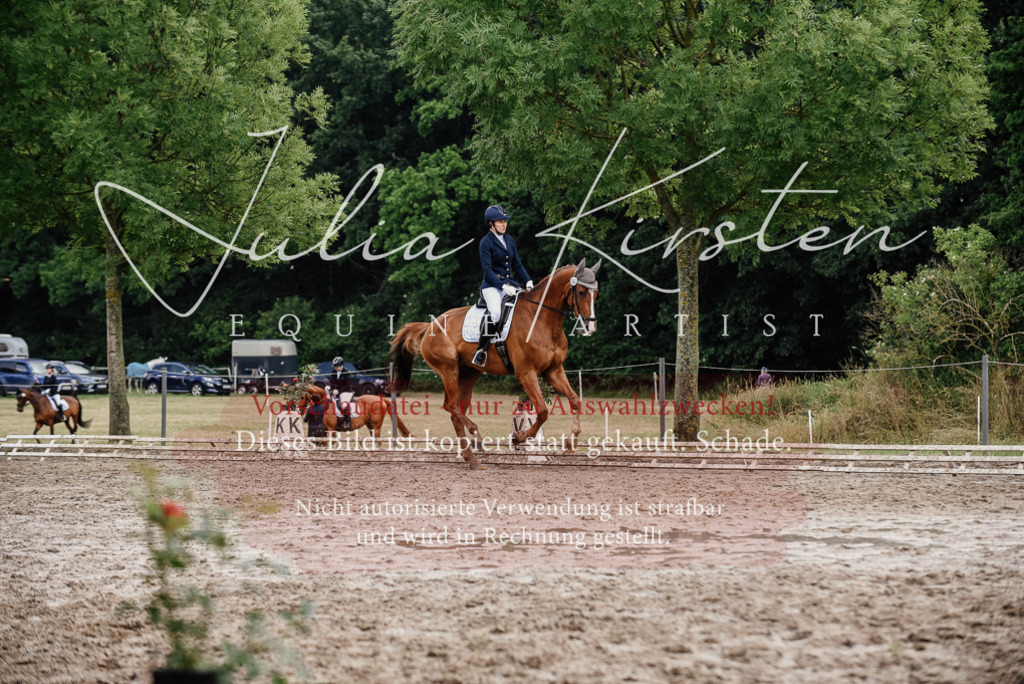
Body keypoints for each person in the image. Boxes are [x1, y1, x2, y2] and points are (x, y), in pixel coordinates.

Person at [474, 204, 533, 366]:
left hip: (511, 283)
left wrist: (527, 280)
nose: (504, 224)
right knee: (495, 314)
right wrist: (502, 286)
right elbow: (487, 271)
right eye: (500, 221)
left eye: (505, 221)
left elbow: (518, 265)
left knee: (526, 308)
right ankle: (481, 349)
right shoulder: (486, 242)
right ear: (491, 224)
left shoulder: (509, 240)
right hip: (491, 285)